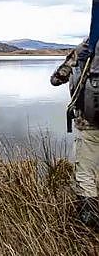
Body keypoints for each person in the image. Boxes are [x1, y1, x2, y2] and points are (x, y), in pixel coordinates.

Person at [50, 35, 99, 229]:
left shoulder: (87, 46)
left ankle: (88, 223)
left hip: (89, 123)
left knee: (86, 173)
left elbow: (56, 79)